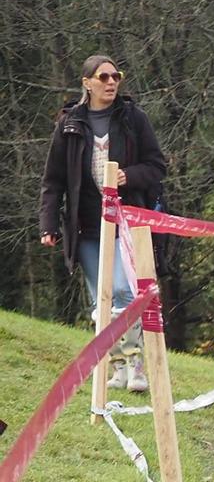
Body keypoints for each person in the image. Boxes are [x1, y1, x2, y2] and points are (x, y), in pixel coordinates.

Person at [38, 52, 168, 393]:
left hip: (127, 223)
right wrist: (48, 225)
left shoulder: (133, 118)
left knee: (124, 290)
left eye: (116, 77)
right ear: (87, 83)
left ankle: (136, 365)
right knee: (102, 299)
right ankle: (117, 368)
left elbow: (157, 166)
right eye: (103, 77)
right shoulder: (69, 125)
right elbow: (53, 181)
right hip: (86, 227)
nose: (111, 83)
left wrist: (130, 176)